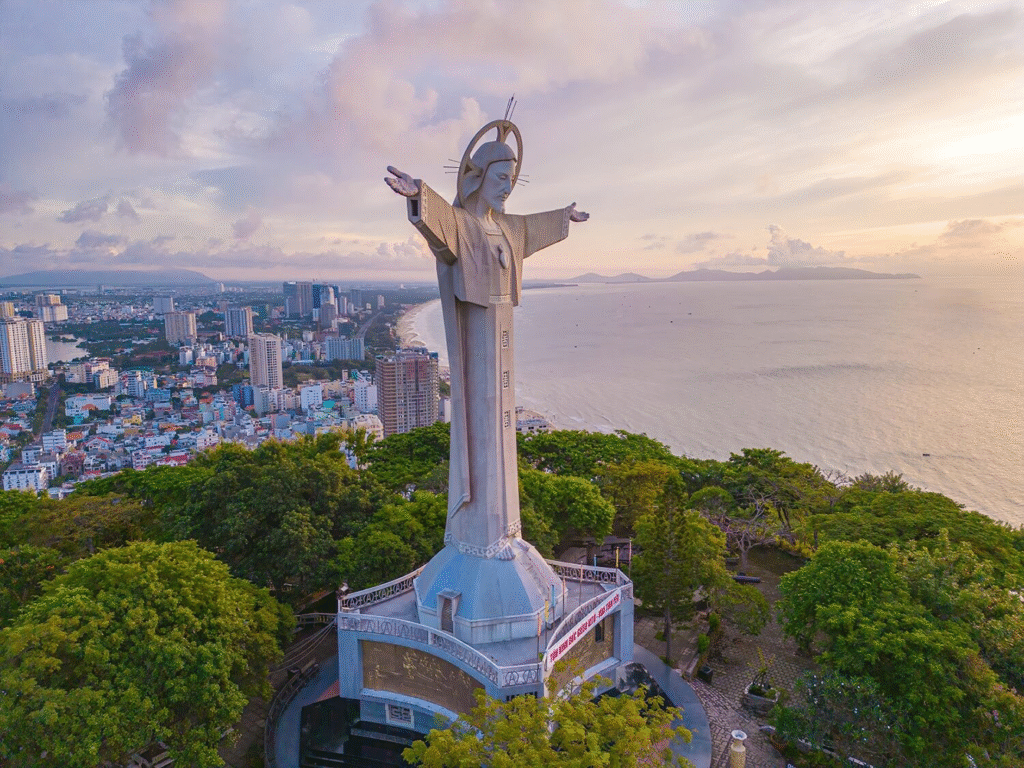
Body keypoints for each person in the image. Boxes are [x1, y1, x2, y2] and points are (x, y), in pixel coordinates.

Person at [386, 120, 588, 557]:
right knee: (483, 426)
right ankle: (480, 535)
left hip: (502, 330)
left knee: (502, 432)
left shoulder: (510, 229)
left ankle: (507, 533)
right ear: (477, 178)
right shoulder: (461, 225)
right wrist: (419, 192)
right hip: (477, 335)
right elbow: (440, 220)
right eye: (500, 179)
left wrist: (563, 217)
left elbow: (534, 226)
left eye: (512, 182)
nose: (506, 190)